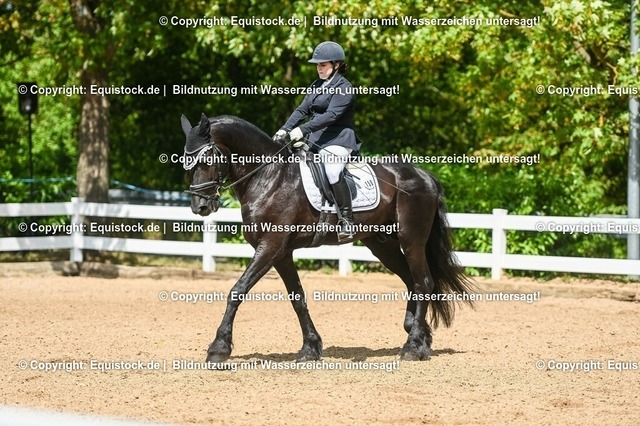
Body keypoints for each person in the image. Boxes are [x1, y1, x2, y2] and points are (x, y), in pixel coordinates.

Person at [273, 41, 360, 240]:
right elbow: (302, 110)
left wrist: (302, 129)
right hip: (316, 139)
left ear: (336, 65)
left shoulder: (344, 88)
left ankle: (347, 220)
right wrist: (285, 129)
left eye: (323, 65)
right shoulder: (317, 85)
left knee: (332, 170)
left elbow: (331, 116)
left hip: (338, 140)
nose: (318, 68)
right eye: (317, 65)